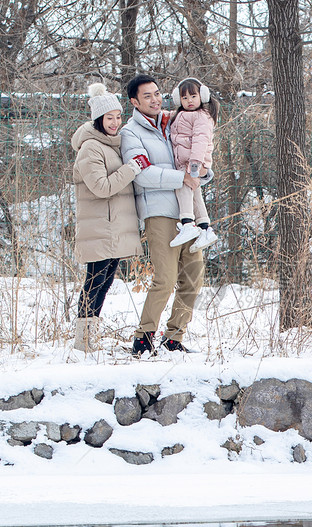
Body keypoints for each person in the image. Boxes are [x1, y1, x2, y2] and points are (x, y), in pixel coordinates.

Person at [120, 74, 210, 356]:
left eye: (157, 93)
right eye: (147, 96)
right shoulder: (131, 132)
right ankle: (143, 339)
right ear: (134, 101)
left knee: (193, 276)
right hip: (159, 212)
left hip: (189, 215)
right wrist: (182, 177)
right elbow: (143, 174)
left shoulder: (175, 120)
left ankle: (174, 337)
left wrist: (202, 174)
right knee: (166, 278)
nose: (155, 100)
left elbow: (196, 155)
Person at [71, 82, 150, 352]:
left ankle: (90, 338)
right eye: (109, 118)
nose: (115, 123)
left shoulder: (112, 144)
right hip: (100, 227)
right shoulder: (90, 148)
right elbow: (101, 187)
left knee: (104, 282)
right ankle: (83, 342)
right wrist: (132, 168)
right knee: (94, 282)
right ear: (98, 119)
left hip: (113, 228)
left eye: (118, 116)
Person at [167, 78, 219, 251]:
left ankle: (188, 222)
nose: (189, 101)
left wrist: (195, 164)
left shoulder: (202, 116)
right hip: (186, 160)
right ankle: (205, 228)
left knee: (183, 184)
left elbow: (200, 141)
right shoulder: (181, 115)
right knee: (195, 192)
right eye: (185, 98)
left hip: (192, 162)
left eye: (193, 96)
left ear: (202, 96)